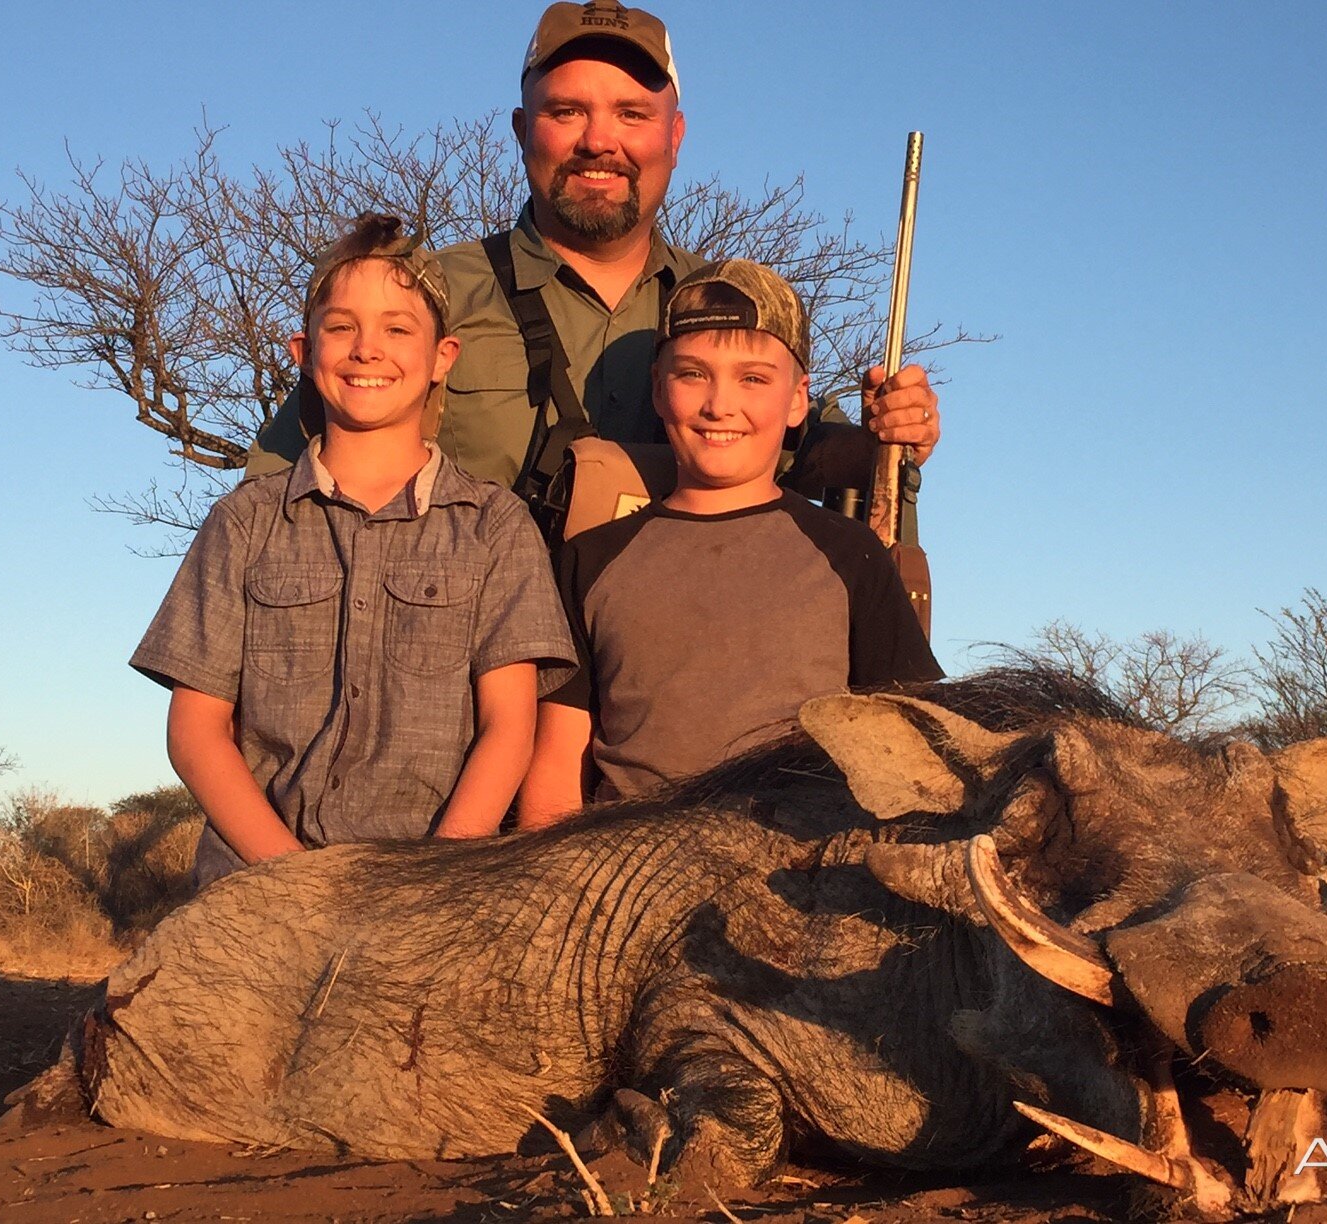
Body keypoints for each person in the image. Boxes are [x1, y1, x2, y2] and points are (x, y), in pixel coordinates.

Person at [244, 0, 942, 520]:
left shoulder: (735, 312)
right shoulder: (419, 296)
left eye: (632, 115)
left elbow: (821, 455)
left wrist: (893, 439)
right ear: (522, 131)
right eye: (567, 112)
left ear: (675, 135)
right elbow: (272, 492)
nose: (599, 141)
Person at [132, 215, 576, 886]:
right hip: (254, 891)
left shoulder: (496, 526)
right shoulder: (242, 521)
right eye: (341, 328)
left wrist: (427, 880)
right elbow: (195, 735)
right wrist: (292, 882)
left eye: (398, 329)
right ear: (302, 351)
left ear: (443, 358)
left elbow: (509, 730)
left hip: (430, 893)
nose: (368, 350)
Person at [519, 259, 942, 825]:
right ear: (657, 390)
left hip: (798, 885)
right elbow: (555, 776)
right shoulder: (588, 559)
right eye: (692, 374)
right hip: (622, 878)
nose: (719, 404)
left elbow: (910, 758)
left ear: (798, 401)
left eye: (754, 378)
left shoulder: (851, 555)